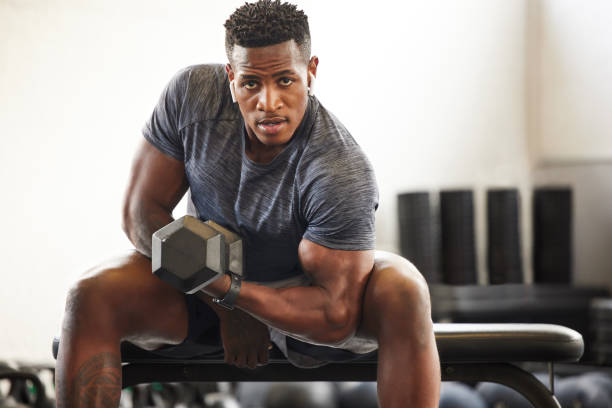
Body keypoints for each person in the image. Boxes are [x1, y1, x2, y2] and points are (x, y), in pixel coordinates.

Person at [55, 1, 441, 406]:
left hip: (306, 304)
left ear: (311, 73)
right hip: (205, 283)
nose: (268, 102)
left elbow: (335, 315)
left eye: (285, 81)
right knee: (89, 294)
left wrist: (234, 296)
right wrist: (225, 304)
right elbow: (141, 215)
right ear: (230, 77)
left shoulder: (339, 168)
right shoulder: (192, 97)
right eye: (251, 82)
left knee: (405, 290)